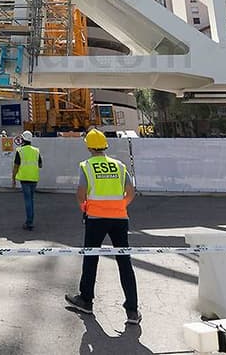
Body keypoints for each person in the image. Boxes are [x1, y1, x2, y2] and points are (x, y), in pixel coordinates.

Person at [65, 128, 139, 324]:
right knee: (124, 262)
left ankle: (86, 300)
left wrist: (85, 208)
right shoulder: (119, 165)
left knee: (91, 258)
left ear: (89, 147)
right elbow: (130, 191)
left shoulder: (86, 166)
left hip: (96, 218)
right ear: (105, 145)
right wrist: (120, 206)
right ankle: (132, 310)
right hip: (120, 218)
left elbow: (81, 193)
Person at [11, 131, 43, 230]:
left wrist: (13, 178)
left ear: (23, 139)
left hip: (24, 178)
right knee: (31, 199)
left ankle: (29, 222)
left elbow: (16, 166)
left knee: (28, 200)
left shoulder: (20, 151)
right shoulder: (36, 151)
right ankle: (30, 220)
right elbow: (40, 165)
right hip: (34, 178)